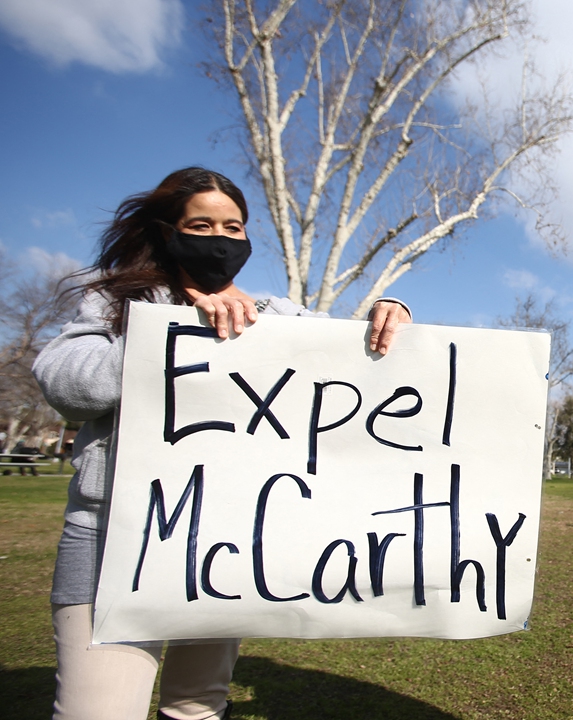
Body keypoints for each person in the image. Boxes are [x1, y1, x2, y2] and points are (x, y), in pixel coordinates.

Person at [33, 167, 413, 720]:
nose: (220, 239)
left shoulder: (276, 316)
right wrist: (174, 331)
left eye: (233, 227)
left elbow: (353, 363)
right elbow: (65, 385)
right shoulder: (115, 301)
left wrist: (393, 310)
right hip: (112, 547)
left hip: (224, 550)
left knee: (198, 708)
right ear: (168, 231)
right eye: (202, 224)